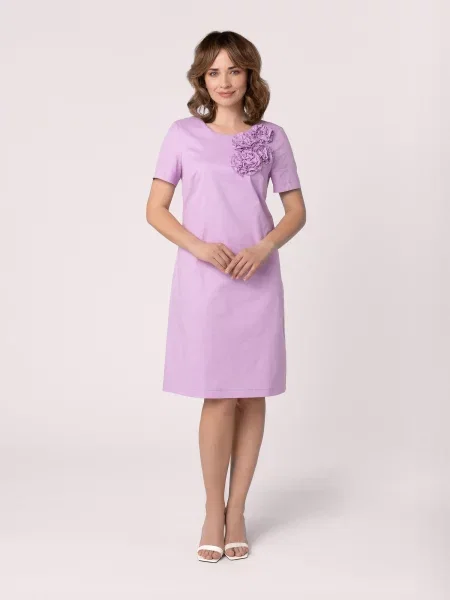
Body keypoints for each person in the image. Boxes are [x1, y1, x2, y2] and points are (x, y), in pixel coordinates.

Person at [146, 30, 306, 563]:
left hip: (256, 279)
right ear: (201, 78)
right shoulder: (182, 134)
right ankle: (212, 510)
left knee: (251, 395)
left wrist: (263, 247)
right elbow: (155, 209)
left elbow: (296, 211)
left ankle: (238, 510)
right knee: (217, 396)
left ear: (249, 74)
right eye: (213, 72)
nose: (224, 81)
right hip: (205, 282)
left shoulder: (272, 137)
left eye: (234, 70)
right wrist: (199, 246)